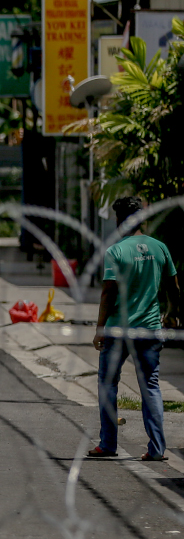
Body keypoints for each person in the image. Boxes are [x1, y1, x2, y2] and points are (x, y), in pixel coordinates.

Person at [89, 196, 179, 461]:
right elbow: (174, 288)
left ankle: (107, 444)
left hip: (118, 330)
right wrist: (172, 315)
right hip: (149, 329)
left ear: (119, 221)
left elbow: (108, 293)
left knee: (108, 384)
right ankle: (157, 449)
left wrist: (99, 329)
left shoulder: (116, 251)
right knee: (150, 386)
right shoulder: (160, 248)